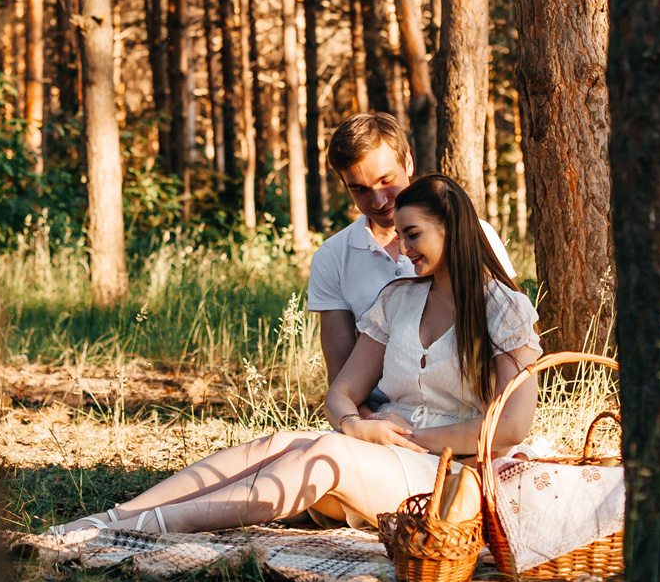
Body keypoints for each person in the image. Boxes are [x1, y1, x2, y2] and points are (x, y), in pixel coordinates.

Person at [44, 175, 542, 541]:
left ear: (451, 227)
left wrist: (409, 439)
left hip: (449, 474)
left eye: (413, 234)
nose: (404, 247)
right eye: (401, 234)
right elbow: (342, 391)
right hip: (383, 452)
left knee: (327, 456)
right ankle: (112, 516)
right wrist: (355, 424)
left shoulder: (503, 309)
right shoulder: (400, 299)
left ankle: (145, 528)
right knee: (283, 442)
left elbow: (512, 426)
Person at [308, 112, 515, 402]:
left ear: (408, 162)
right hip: (380, 413)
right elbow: (341, 378)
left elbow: (511, 333)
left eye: (386, 180)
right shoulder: (331, 258)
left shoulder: (474, 235)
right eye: (360, 189)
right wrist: (362, 421)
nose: (379, 200)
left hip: (466, 408)